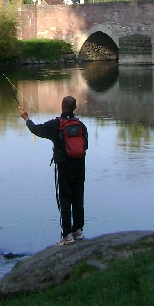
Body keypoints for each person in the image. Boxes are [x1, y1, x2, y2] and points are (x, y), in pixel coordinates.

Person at [20, 95, 88, 246]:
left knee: (64, 199)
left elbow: (36, 130)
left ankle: (66, 235)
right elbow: (85, 146)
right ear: (74, 108)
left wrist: (26, 119)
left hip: (63, 166)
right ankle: (78, 231)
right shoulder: (81, 125)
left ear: (62, 107)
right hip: (80, 167)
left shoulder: (56, 124)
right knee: (78, 198)